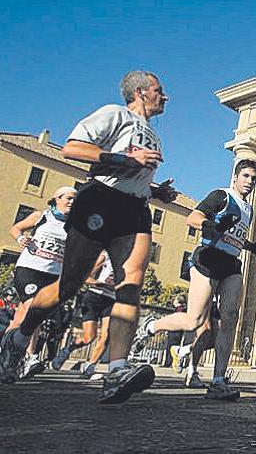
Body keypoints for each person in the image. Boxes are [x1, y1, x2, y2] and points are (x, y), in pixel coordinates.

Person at [0, 69, 176, 406]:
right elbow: (73, 149)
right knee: (68, 286)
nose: (164, 96)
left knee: (131, 282)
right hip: (100, 202)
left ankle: (117, 370)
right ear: (140, 92)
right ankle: (19, 337)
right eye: (159, 90)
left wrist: (157, 192)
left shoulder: (153, 134)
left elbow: (131, 174)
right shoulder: (115, 114)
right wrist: (125, 158)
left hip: (134, 208)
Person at [132, 159, 256, 401]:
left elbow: (232, 234)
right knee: (195, 320)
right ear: (235, 177)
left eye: (253, 179)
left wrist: (251, 247)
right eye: (245, 176)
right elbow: (193, 218)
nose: (249, 182)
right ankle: (151, 327)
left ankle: (218, 380)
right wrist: (211, 224)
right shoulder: (221, 196)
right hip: (208, 259)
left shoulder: (249, 209)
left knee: (230, 317)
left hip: (231, 263)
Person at [7, 186, 77, 380]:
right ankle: (27, 356)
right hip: (29, 269)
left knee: (25, 315)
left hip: (53, 275)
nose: (72, 202)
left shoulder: (74, 225)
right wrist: (21, 238)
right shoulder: (42, 216)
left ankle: (12, 354)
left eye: (75, 200)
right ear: (57, 198)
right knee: (32, 307)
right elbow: (16, 228)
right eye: (69, 198)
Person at [51, 251, 115, 378]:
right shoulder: (107, 255)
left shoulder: (132, 262)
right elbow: (86, 277)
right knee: (88, 337)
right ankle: (68, 350)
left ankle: (89, 367)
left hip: (112, 300)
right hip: (94, 296)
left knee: (106, 336)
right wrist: (100, 283)